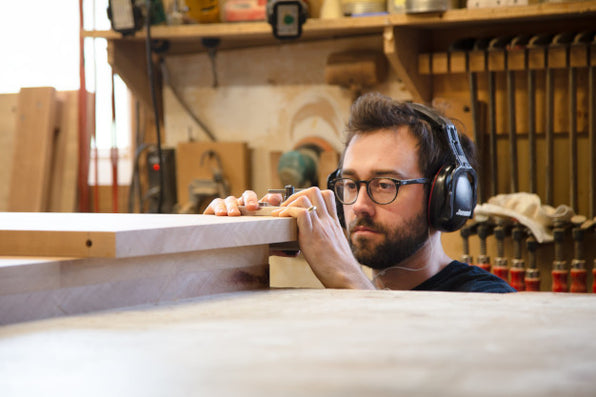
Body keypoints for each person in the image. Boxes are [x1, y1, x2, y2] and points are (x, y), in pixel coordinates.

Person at [204, 92, 516, 293]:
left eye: (385, 185)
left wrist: (345, 277)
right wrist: (225, 249)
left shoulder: (489, 303)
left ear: (444, 198)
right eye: (351, 185)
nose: (360, 206)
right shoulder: (360, 293)